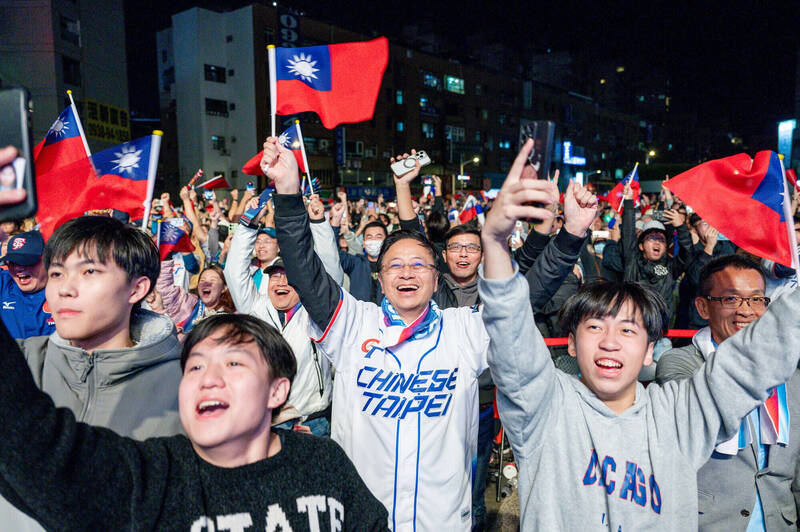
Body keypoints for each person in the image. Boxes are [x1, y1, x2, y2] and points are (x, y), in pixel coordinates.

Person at [479, 139, 800, 531]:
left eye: (628, 329)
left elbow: (758, 354)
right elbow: (509, 331)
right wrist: (494, 243)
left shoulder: (681, 413)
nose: (610, 341)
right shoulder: (545, 408)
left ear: (651, 350)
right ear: (572, 343)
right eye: (595, 326)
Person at [263, 135, 522, 530]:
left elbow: (521, 296)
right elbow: (302, 269)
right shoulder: (353, 323)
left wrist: (561, 235)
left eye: (418, 265)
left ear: (437, 280)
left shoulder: (463, 330)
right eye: (394, 266)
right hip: (362, 518)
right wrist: (287, 192)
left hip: (443, 520)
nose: (406, 272)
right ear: (379, 279)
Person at [0, 312, 388, 530]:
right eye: (196, 365)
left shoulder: (324, 462)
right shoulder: (155, 476)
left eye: (234, 363)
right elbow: (30, 443)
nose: (208, 378)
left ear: (276, 391)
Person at [656, 254, 800, 531]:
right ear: (703, 307)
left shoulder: (790, 378)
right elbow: (706, 410)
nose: (746, 310)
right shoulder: (681, 364)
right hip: (710, 523)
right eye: (731, 299)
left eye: (757, 299)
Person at [225, 194, 342, 437]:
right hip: (265, 421)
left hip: (312, 421)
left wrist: (319, 224)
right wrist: (248, 226)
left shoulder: (317, 311)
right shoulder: (255, 310)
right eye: (275, 275)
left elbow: (331, 272)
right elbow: (234, 272)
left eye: (288, 276)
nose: (281, 281)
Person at [0, 230, 54, 338]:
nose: (18, 268)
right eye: (13, 262)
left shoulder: (67, 291)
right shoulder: (4, 284)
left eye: (27, 262)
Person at [154, 262, 234, 334]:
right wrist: (166, 255)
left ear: (224, 288)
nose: (206, 283)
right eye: (202, 280)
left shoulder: (231, 319)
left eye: (212, 280)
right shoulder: (188, 303)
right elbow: (165, 290)